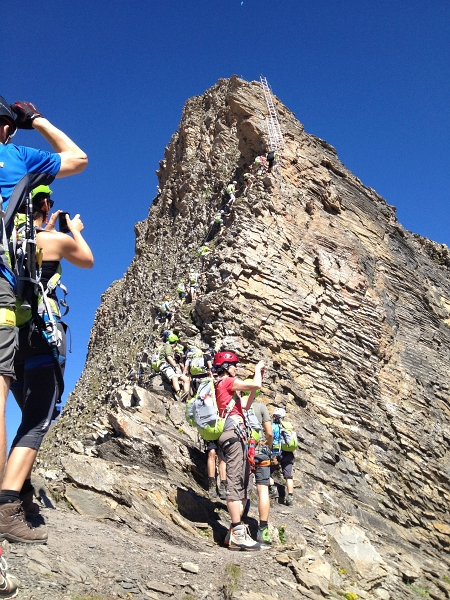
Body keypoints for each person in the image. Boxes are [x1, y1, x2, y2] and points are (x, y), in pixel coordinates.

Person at [0, 96, 87, 487]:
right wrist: (35, 119)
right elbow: (78, 158)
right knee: (31, 413)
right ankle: (8, 498)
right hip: (29, 317)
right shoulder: (15, 156)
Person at [0, 187, 93, 544]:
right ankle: (7, 507)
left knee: (22, 417)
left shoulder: (7, 242)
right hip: (42, 338)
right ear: (46, 205)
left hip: (9, 334)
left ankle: (20, 495)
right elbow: (86, 259)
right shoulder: (52, 240)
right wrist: (74, 231)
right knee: (36, 421)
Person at [213, 351, 265, 551]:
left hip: (236, 435)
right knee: (235, 480)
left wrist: (254, 385)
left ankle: (232, 533)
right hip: (233, 436)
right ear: (226, 367)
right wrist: (257, 370)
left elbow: (245, 404)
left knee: (243, 480)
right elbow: (256, 384)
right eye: (234, 365)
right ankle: (237, 531)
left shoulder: (225, 387)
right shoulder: (226, 382)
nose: (236, 368)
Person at [250, 400, 273, 546]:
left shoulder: (236, 403)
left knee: (242, 488)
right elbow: (269, 433)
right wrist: (268, 448)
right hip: (261, 453)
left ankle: (237, 527)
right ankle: (263, 530)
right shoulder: (260, 406)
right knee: (263, 491)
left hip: (244, 452)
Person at [269, 407, 295, 506]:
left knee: (266, 471)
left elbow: (270, 437)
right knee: (288, 476)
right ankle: (290, 497)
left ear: (275, 416)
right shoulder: (289, 427)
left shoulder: (273, 426)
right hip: (288, 453)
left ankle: (273, 488)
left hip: (276, 452)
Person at [158, 333, 189, 401]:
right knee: (174, 377)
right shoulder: (168, 346)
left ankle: (186, 395)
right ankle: (179, 393)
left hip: (170, 366)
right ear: (176, 342)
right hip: (165, 365)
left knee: (186, 379)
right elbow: (168, 357)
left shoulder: (169, 347)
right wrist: (176, 366)